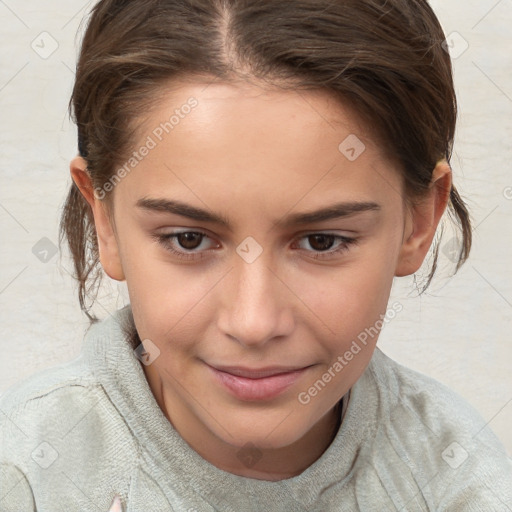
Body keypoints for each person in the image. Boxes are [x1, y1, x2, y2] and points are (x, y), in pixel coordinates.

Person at [1, 0, 511, 510]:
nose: (253, 323)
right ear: (104, 221)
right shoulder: (26, 474)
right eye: (189, 239)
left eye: (322, 241)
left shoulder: (459, 482)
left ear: (418, 222)